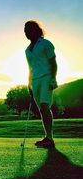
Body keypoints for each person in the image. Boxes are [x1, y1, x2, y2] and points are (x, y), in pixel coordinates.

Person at [24, 20, 58, 148]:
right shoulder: (27, 50)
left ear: (36, 30)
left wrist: (53, 78)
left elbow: (53, 62)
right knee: (41, 110)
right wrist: (29, 83)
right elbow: (30, 68)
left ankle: (50, 138)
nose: (26, 33)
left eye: (29, 29)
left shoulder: (45, 43)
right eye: (25, 31)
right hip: (35, 81)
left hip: (46, 78)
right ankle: (47, 137)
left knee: (45, 106)